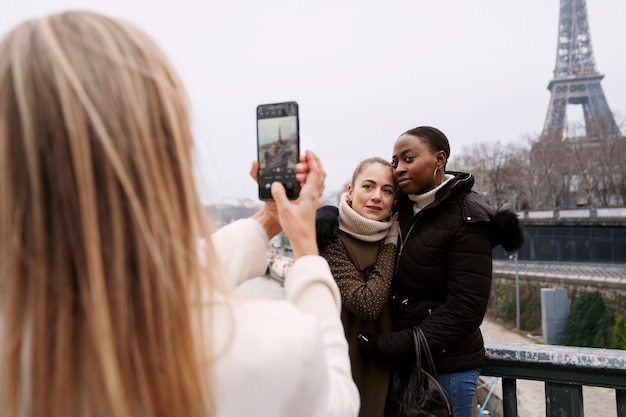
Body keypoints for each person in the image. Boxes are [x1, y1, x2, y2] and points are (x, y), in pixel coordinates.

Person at [0, 10, 359, 417]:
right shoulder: (270, 349)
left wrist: (269, 220)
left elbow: (171, 275)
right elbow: (339, 404)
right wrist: (307, 250)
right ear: (167, 155)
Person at [317, 126, 524, 417]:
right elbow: (363, 200)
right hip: (404, 368)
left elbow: (464, 309)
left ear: (439, 159)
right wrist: (328, 211)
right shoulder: (405, 208)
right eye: (396, 161)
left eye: (409, 158)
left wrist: (392, 346)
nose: (399, 168)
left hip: (447, 367)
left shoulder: (468, 216)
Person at [318, 157, 399, 417]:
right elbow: (368, 303)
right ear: (350, 192)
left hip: (389, 369)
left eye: (387, 190)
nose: (377, 196)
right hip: (345, 368)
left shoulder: (404, 232)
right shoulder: (331, 237)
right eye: (368, 186)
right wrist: (390, 243)